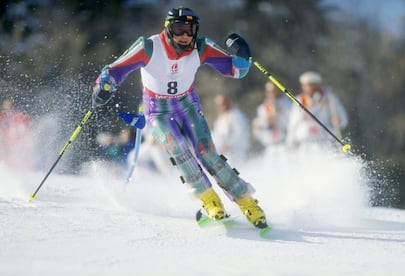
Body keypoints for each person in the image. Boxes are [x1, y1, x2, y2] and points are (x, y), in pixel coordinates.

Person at [91, 7, 268, 228]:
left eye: (190, 30)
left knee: (208, 153)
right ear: (168, 28)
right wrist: (103, 85)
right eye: (179, 29)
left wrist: (243, 55)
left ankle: (247, 202)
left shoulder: (200, 47)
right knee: (179, 150)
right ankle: (209, 202)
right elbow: (116, 70)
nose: (185, 35)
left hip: (187, 105)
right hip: (157, 110)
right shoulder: (149, 47)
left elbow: (236, 70)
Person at [286, 71, 348, 148]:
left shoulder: (330, 98)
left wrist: (338, 121)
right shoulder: (300, 100)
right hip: (304, 143)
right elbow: (293, 123)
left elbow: (343, 119)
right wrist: (290, 142)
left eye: (311, 85)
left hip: (325, 142)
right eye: (305, 85)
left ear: (317, 85)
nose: (308, 88)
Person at [252, 81, 291, 151]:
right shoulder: (263, 107)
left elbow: (291, 122)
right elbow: (257, 127)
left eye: (273, 91)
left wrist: (278, 117)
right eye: (269, 91)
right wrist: (265, 122)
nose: (271, 93)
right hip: (270, 146)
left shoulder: (287, 104)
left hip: (284, 144)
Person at [212, 95, 249, 165]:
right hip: (224, 154)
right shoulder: (220, 119)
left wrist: (229, 144)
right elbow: (217, 135)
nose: (221, 107)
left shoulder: (236, 115)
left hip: (236, 152)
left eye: (223, 104)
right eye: (219, 105)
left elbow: (240, 133)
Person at [0, 98, 32, 169]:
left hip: (15, 141)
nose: (6, 108)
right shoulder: (2, 115)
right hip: (5, 141)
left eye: (9, 106)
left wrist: (25, 119)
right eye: (5, 106)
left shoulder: (18, 115)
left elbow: (25, 124)